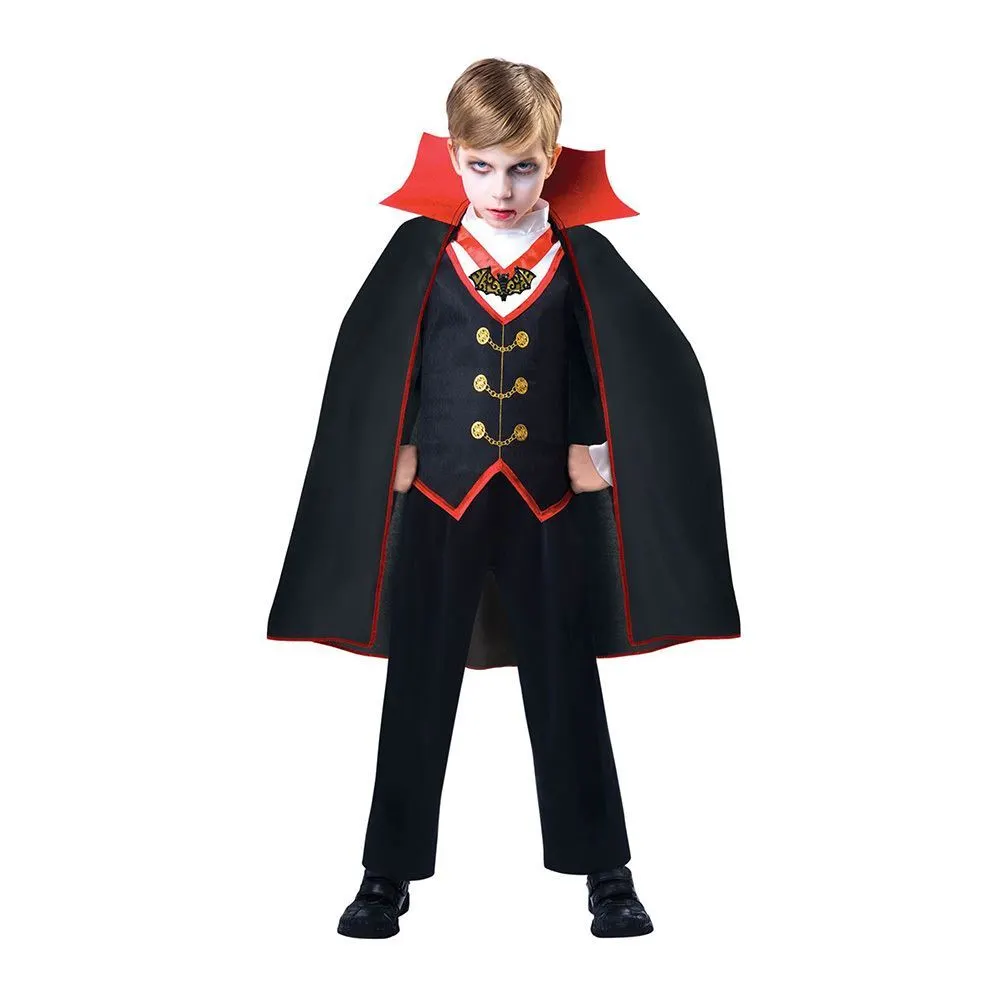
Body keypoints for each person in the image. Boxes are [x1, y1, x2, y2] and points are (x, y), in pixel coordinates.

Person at [267, 58, 740, 938]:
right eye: (481, 166)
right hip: (439, 506)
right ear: (453, 156)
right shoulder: (422, 253)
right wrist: (387, 449)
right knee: (417, 688)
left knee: (567, 689)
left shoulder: (579, 257)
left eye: (522, 167)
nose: (501, 188)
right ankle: (385, 874)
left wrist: (607, 457)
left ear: (552, 159)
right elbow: (370, 365)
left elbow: (655, 375)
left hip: (544, 511)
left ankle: (607, 872)